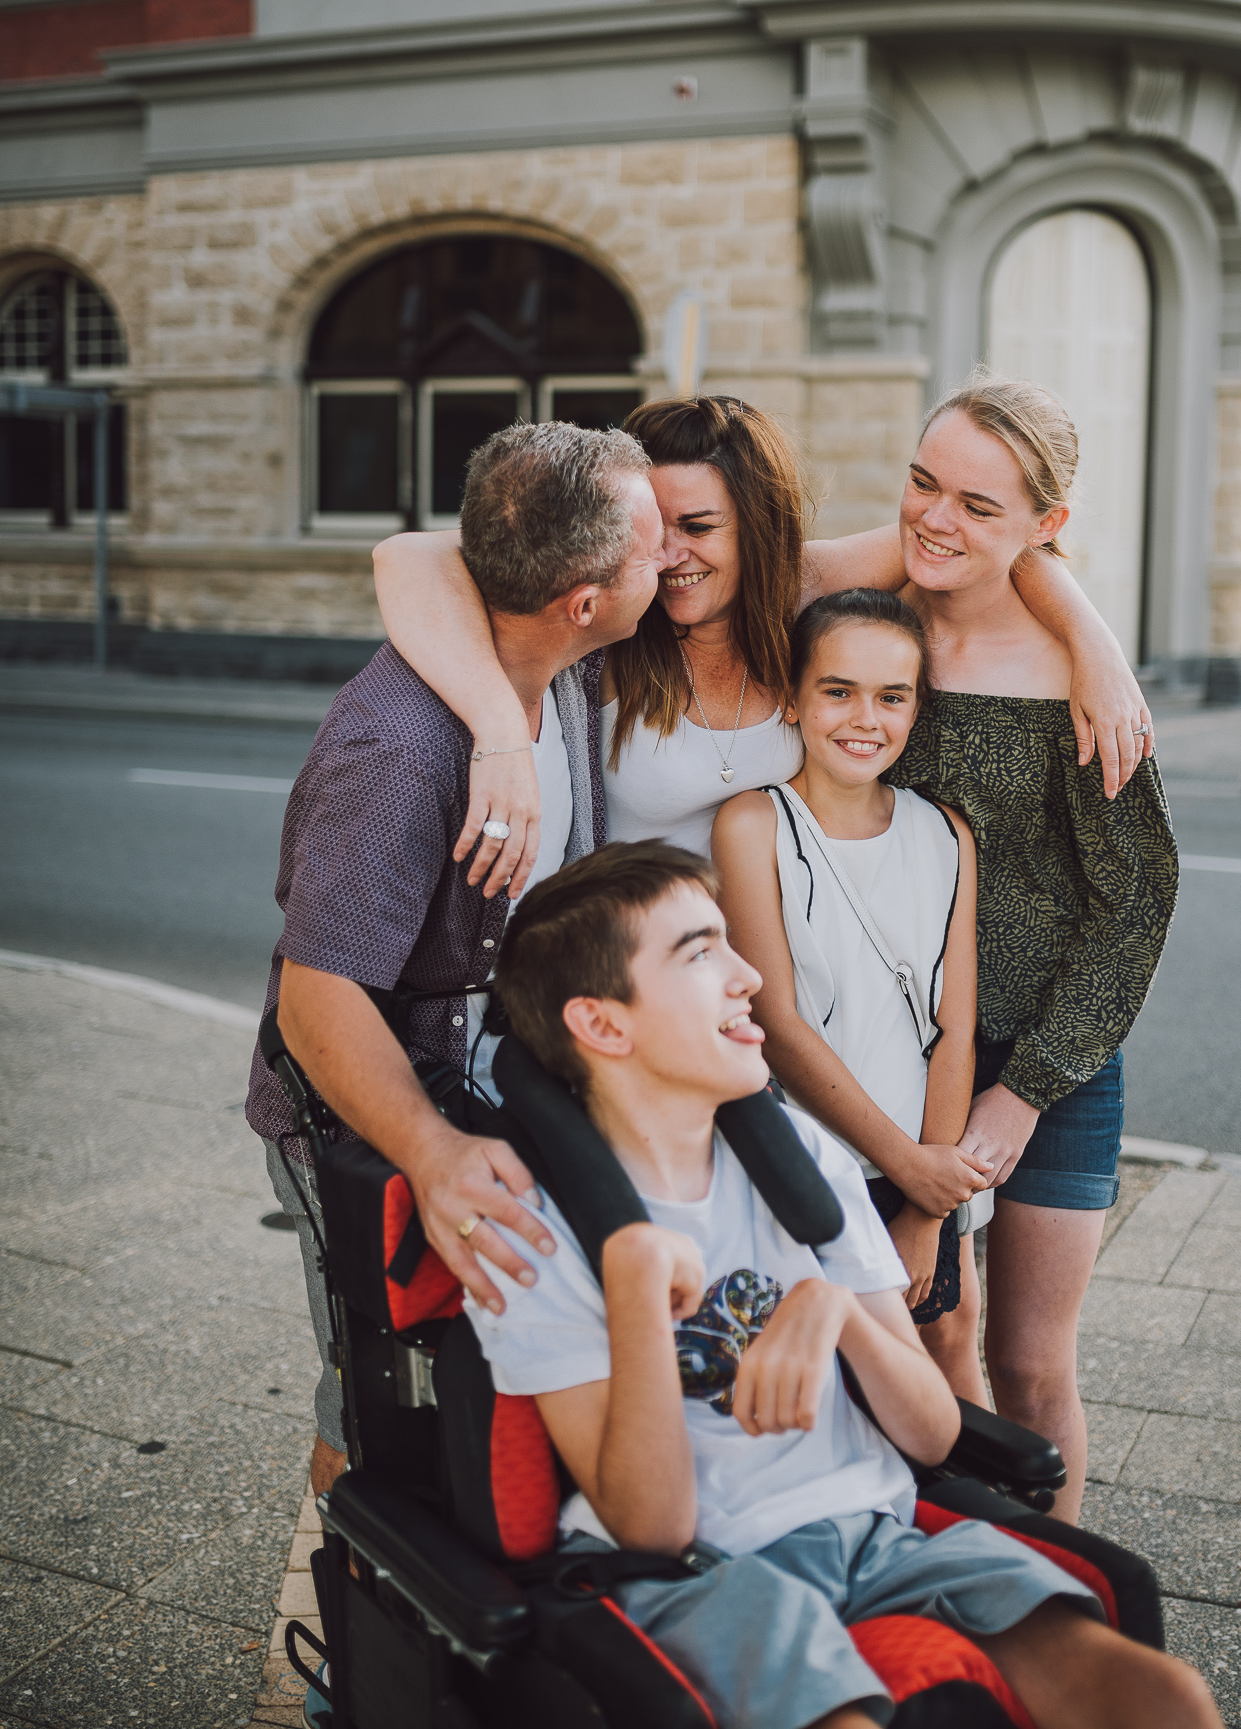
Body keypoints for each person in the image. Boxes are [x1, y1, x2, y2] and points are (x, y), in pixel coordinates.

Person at [466, 842, 1220, 1729]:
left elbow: (933, 1433)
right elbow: (650, 1528)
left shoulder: (801, 1161)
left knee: (1161, 1698)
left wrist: (830, 1309)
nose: (747, 975)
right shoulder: (535, 1234)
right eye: (700, 953)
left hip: (878, 1535)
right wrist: (632, 1287)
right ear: (603, 1025)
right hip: (705, 1574)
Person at [245, 421, 664, 1502]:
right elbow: (317, 993)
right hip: (376, 1120)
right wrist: (429, 1153)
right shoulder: (398, 751)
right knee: (378, 1401)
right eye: (651, 546)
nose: (669, 562)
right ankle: (344, 1658)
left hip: (493, 1092)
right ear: (584, 597)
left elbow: (427, 549)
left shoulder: (554, 663)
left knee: (486, 1395)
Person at [371, 395, 1155, 905]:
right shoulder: (607, 617)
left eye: (700, 528)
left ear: (757, 526)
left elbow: (983, 540)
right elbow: (406, 557)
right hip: (624, 981)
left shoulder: (802, 588)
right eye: (651, 526)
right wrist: (500, 734)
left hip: (784, 997)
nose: (666, 554)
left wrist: (1095, 647)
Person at [884, 377, 1179, 1525]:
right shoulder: (874, 628)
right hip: (896, 1051)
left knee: (1029, 1358)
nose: (933, 518)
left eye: (976, 503)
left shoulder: (1075, 679)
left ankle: (1063, 1597)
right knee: (925, 1332)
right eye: (920, 481)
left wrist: (1023, 1092)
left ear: (1045, 528)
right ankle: (970, 1565)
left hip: (1053, 1061)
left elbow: (1135, 902)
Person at [712, 588, 990, 1405]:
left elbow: (955, 1027)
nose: (864, 717)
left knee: (946, 1353)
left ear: (914, 709)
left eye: (891, 696)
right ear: (793, 700)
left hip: (921, 1172)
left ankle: (978, 1533)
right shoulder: (753, 823)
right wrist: (909, 1170)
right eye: (838, 691)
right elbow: (778, 1020)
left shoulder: (944, 832)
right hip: (814, 1170)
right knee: (833, 1379)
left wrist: (925, 1208)